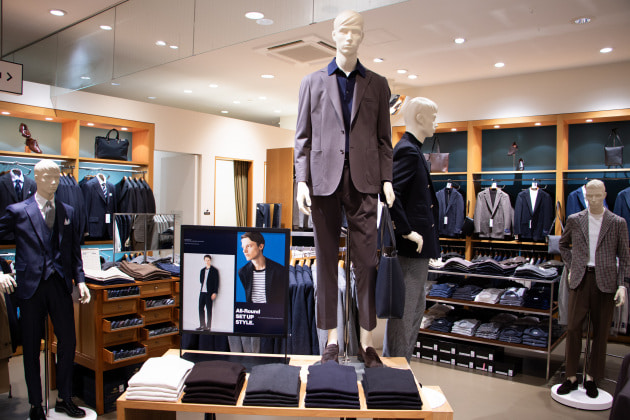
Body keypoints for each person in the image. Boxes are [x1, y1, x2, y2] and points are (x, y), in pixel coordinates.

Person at [294, 9, 394, 367]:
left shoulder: (378, 84)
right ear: (334, 34)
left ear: (362, 36)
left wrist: (387, 179)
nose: (350, 37)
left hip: (364, 182)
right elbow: (302, 138)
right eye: (344, 31)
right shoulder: (312, 82)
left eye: (356, 31)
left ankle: (367, 341)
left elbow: (384, 139)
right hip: (324, 181)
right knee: (325, 262)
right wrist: (301, 181)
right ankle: (332, 340)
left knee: (367, 262)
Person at [0, 159, 90, 420]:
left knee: (68, 342)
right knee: (31, 346)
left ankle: (64, 398)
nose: (53, 182)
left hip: (60, 284)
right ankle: (35, 404)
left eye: (56, 177)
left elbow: (74, 251)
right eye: (48, 177)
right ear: (36, 179)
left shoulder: (67, 211)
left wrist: (80, 280)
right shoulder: (18, 211)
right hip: (31, 286)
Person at [557, 179, 628, 398]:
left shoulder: (617, 222)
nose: (594, 200)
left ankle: (591, 377)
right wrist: (572, 265)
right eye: (590, 196)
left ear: (605, 195)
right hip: (580, 279)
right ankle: (570, 376)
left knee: (600, 332)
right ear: (585, 196)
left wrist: (622, 285)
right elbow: (562, 245)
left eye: (598, 195)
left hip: (606, 281)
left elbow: (625, 256)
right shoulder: (575, 219)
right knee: (573, 328)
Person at [382, 97, 440, 361]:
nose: (436, 122)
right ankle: (396, 370)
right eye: (433, 117)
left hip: (418, 247)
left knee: (414, 309)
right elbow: (391, 195)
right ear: (419, 118)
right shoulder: (406, 150)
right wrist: (406, 230)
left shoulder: (414, 150)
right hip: (409, 248)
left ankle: (401, 367)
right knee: (405, 313)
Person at [238, 231, 285, 305]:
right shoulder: (243, 272)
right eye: (243, 247)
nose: (244, 251)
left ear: (260, 246)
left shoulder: (279, 270)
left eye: (248, 246)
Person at [197, 254, 219, 331]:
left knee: (209, 310)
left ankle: (208, 326)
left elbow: (216, 282)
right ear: (204, 261)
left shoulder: (214, 271)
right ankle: (202, 325)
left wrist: (215, 292)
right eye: (206, 260)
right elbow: (201, 281)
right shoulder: (202, 270)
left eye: (208, 260)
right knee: (200, 308)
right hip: (202, 292)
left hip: (209, 293)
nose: (207, 262)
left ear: (210, 260)